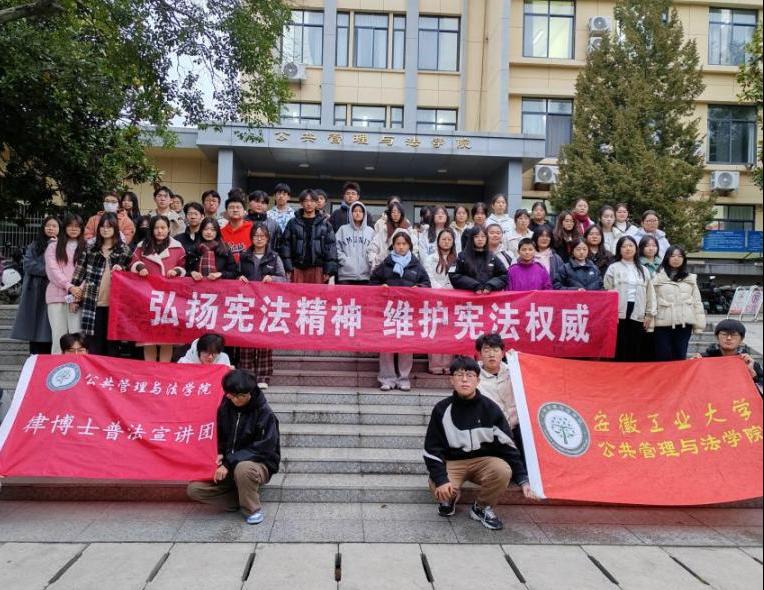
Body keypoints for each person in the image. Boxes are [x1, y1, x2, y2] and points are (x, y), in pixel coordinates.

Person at [423, 356, 537, 529]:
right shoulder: (441, 409)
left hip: (483, 462)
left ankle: (481, 507)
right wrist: (440, 479)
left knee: (503, 470)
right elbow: (431, 450)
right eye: (459, 375)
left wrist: (523, 479)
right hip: (453, 462)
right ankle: (450, 498)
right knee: (436, 485)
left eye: (470, 375)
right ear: (451, 380)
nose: (464, 380)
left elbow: (508, 447)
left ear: (478, 380)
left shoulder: (490, 408)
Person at [186, 370, 280, 525]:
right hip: (228, 463)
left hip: (257, 463)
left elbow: (263, 449)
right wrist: (219, 453)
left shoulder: (264, 413)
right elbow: (219, 436)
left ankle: (252, 510)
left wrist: (229, 463)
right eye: (232, 396)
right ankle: (237, 500)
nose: (236, 400)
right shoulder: (225, 407)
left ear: (250, 392)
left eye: (240, 396)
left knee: (243, 469)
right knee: (194, 489)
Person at [370, 230, 430, 391]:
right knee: (386, 345)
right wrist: (381, 286)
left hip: (408, 312)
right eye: (398, 244)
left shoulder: (416, 265)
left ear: (409, 245)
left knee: (406, 346)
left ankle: (403, 378)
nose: (401, 247)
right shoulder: (386, 264)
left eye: (404, 244)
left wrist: (419, 288)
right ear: (393, 246)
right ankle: (387, 379)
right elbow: (372, 282)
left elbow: (427, 284)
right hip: (388, 311)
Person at [68, 213, 132, 356]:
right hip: (92, 303)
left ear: (115, 228)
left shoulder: (124, 250)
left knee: (113, 344)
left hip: (115, 305)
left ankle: (110, 371)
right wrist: (72, 299)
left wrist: (122, 269)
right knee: (93, 344)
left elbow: (131, 276)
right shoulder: (90, 248)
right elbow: (78, 273)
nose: (105, 229)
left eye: (109, 227)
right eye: (102, 226)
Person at [129, 215, 186, 362]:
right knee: (148, 338)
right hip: (147, 297)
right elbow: (133, 262)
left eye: (163, 228)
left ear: (168, 229)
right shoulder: (142, 246)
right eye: (156, 228)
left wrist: (177, 271)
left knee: (166, 337)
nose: (160, 231)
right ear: (151, 229)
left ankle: (164, 369)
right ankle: (150, 369)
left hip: (169, 298)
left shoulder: (177, 247)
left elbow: (184, 265)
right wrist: (140, 267)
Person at [238, 223, 288, 389]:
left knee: (264, 341)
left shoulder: (274, 257)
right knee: (245, 341)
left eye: (262, 236)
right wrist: (239, 278)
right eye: (256, 236)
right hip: (247, 303)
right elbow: (236, 274)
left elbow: (284, 278)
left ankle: (263, 377)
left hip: (267, 304)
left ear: (267, 238)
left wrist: (272, 279)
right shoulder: (244, 256)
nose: (259, 239)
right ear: (251, 238)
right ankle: (246, 377)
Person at [647, 246, 706, 361]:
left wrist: (699, 326)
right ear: (667, 258)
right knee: (662, 356)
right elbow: (651, 301)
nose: (676, 259)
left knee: (680, 355)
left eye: (680, 256)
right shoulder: (657, 278)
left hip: (684, 324)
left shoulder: (690, 279)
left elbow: (697, 302)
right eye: (673, 256)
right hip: (662, 324)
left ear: (684, 259)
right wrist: (649, 322)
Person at [11, 215, 60, 354]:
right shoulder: (35, 245)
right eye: (48, 226)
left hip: (54, 289)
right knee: (35, 325)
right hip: (35, 290)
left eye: (54, 226)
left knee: (51, 326)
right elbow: (28, 264)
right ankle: (34, 357)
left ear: (59, 229)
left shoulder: (62, 246)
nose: (51, 228)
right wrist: (50, 271)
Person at [604, 236, 656, 362]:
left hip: (638, 310)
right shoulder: (613, 268)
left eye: (631, 246)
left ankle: (632, 372)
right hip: (618, 311)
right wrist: (611, 313)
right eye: (624, 246)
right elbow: (606, 291)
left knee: (635, 345)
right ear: (619, 249)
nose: (628, 249)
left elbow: (650, 293)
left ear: (636, 249)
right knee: (619, 345)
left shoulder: (643, 270)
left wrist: (649, 314)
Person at [475, 333, 524, 459]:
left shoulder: (514, 371)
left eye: (496, 350)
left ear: (502, 354)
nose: (491, 354)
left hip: (518, 426)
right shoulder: (474, 378)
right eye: (487, 350)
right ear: (479, 354)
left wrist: (519, 361)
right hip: (492, 430)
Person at [45, 213, 85, 353]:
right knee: (58, 336)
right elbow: (53, 271)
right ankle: (57, 365)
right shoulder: (53, 246)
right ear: (64, 227)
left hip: (77, 297)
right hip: (56, 297)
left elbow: (89, 271)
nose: (73, 229)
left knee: (77, 337)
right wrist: (70, 287)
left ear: (81, 228)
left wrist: (79, 290)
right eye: (70, 226)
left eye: (77, 226)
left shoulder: (87, 247)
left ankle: (78, 365)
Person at [280, 189, 338, 284]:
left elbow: (331, 248)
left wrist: (329, 270)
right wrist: (288, 268)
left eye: (312, 201)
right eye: (306, 201)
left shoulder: (325, 224)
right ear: (301, 203)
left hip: (318, 269)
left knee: (317, 293)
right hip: (297, 268)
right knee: (296, 293)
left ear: (316, 203)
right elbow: (285, 246)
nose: (309, 204)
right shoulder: (292, 223)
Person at [424, 229, 456, 374]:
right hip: (434, 298)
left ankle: (448, 364)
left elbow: (457, 277)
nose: (446, 242)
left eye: (449, 239)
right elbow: (429, 276)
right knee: (435, 331)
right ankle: (435, 364)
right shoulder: (430, 258)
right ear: (438, 241)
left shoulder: (457, 259)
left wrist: (448, 290)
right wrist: (439, 290)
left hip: (452, 299)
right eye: (443, 239)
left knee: (449, 332)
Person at [695, 319, 763, 388]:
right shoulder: (704, 359)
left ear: (741, 339)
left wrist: (753, 375)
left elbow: (761, 388)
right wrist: (694, 366)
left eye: (734, 335)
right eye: (724, 334)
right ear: (717, 337)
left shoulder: (749, 363)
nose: (729, 338)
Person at [450, 227, 507, 293]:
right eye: (476, 237)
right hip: (468, 295)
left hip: (488, 295)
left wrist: (490, 285)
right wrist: (474, 285)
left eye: (483, 237)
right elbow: (454, 276)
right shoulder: (462, 257)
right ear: (471, 239)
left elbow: (503, 275)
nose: (480, 239)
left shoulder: (492, 257)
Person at [335, 202, 375, 285]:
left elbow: (374, 250)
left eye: (360, 211)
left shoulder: (370, 231)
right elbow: (336, 248)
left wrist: (370, 263)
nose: (357, 213)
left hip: (365, 275)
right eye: (355, 211)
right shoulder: (343, 229)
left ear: (364, 214)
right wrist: (344, 261)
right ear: (351, 213)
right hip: (345, 275)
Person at [370, 201, 415, 267]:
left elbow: (414, 249)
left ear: (401, 214)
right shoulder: (384, 229)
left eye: (398, 212)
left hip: (404, 267)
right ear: (389, 214)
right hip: (384, 267)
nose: (396, 214)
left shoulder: (408, 229)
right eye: (393, 212)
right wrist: (377, 260)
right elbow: (372, 249)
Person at [220, 195, 253, 263]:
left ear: (244, 211)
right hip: (228, 268)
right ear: (226, 212)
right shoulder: (221, 232)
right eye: (231, 207)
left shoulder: (253, 229)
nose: (235, 210)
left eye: (238, 207)